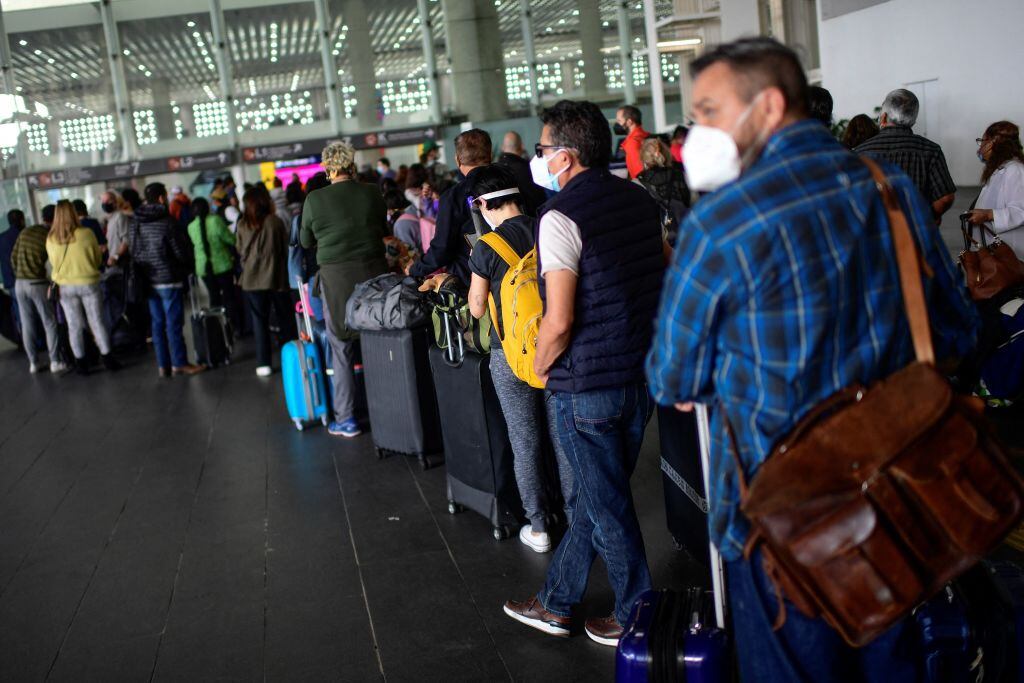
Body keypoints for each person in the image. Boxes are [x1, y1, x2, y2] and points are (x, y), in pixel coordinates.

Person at [645, 37, 978, 682]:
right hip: (896, 493)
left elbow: (673, 377)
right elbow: (957, 332)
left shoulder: (721, 223)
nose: (698, 133)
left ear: (767, 105)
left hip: (779, 520)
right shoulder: (892, 191)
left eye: (710, 111)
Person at [503, 99, 665, 647]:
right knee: (596, 499)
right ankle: (556, 602)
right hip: (638, 376)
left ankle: (636, 617)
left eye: (543, 149)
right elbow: (664, 269)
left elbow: (560, 318)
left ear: (566, 157)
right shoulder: (639, 199)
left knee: (608, 506)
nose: (539, 158)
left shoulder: (559, 218)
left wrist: (541, 365)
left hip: (585, 387)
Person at [466, 165, 573, 553]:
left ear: (483, 205)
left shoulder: (486, 247)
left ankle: (540, 526)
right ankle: (577, 518)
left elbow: (477, 308)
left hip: (508, 354)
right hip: (556, 345)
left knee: (524, 441)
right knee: (563, 436)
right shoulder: (549, 227)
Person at [300, 142, 388, 437]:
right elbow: (380, 227)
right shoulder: (372, 192)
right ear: (352, 164)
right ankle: (389, 410)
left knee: (341, 349)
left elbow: (305, 241)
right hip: (375, 274)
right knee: (380, 341)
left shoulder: (314, 199)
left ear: (327, 168)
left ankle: (347, 418)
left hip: (336, 280)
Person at [130, 183, 205, 378]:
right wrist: (186, 267)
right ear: (162, 198)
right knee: (173, 323)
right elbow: (180, 251)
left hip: (147, 279)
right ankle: (179, 363)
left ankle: (163, 365)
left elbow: (133, 249)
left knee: (157, 323)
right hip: (168, 278)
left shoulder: (136, 222)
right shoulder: (167, 221)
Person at [855, 88, 957, 222]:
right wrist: (928, 218)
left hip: (876, 234)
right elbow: (946, 198)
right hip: (916, 234)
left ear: (884, 116)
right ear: (913, 120)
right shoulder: (931, 150)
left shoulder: (860, 152)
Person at [407, 129, 492, 285]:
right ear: (490, 154)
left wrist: (415, 268)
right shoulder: (515, 184)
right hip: (518, 273)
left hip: (471, 281)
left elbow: (442, 249)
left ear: (458, 160)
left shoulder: (453, 197)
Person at [46, 200, 119, 374]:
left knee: (74, 325)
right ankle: (108, 359)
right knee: (96, 322)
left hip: (64, 287)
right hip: (88, 283)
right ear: (73, 213)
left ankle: (81, 364)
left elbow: (53, 264)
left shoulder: (51, 238)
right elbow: (97, 259)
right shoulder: (86, 233)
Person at [237, 185, 296, 378]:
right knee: (284, 318)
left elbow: (239, 249)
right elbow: (285, 249)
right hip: (276, 278)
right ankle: (292, 357)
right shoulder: (274, 221)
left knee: (259, 322)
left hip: (252, 281)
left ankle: (264, 363)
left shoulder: (242, 224)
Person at [11, 212, 66, 373]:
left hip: (19, 284)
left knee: (27, 323)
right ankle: (55, 361)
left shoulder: (25, 232)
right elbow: (54, 263)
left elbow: (13, 257)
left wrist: (21, 274)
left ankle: (33, 363)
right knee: (49, 322)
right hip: (38, 284)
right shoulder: (50, 236)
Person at [965, 121, 1024, 261]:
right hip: (994, 251)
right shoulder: (1001, 170)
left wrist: (989, 215)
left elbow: (1020, 211)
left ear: (993, 143)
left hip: (1012, 254)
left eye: (982, 141)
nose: (980, 148)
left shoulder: (1015, 170)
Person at [635, 136, 690, 244]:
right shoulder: (682, 174)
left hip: (657, 240)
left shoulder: (638, 182)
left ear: (643, 158)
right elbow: (695, 201)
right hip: (686, 233)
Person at [187, 197, 238, 312]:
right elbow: (231, 240)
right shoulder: (215, 220)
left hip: (203, 268)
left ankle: (217, 326)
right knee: (229, 296)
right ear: (207, 208)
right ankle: (233, 325)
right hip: (223, 265)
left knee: (214, 297)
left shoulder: (190, 227)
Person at [495, 130, 548, 216]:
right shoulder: (527, 169)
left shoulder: (496, 170)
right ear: (522, 146)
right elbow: (540, 200)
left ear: (502, 147)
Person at [614, 104, 650, 179]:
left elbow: (640, 174)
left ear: (629, 122)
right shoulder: (647, 136)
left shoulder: (632, 143)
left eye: (619, 121)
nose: (616, 124)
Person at [101, 190, 133, 270]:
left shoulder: (120, 217)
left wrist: (115, 256)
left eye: (108, 201)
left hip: (120, 261)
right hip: (112, 261)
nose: (105, 203)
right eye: (103, 201)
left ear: (114, 202)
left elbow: (126, 240)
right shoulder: (109, 219)